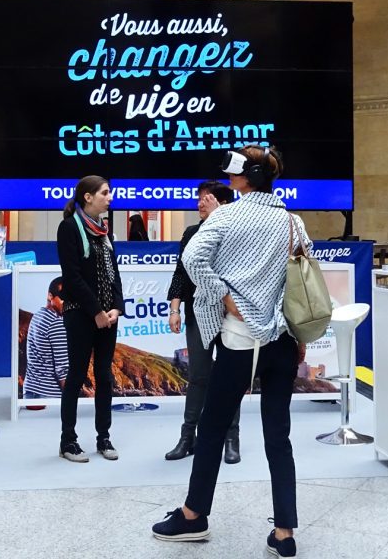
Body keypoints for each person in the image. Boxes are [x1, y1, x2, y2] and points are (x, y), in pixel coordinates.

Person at [152, 145, 302, 559]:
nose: (229, 175)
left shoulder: (225, 216)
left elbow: (192, 257)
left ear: (244, 177)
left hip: (239, 340)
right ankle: (285, 533)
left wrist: (224, 296)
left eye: (235, 170)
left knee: (213, 428)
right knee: (279, 435)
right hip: (283, 341)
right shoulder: (292, 221)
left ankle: (193, 515)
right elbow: (303, 274)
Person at [164, 180, 238, 464]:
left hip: (231, 314)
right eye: (198, 199)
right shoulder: (192, 232)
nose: (198, 204)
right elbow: (181, 273)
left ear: (221, 203)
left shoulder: (234, 231)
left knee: (231, 376)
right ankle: (187, 437)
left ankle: (232, 438)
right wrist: (175, 309)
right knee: (198, 376)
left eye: (205, 200)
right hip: (197, 313)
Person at [57, 175, 122, 463]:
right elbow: (71, 277)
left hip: (108, 318)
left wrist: (116, 308)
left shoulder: (105, 231)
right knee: (76, 376)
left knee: (105, 377)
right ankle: (68, 441)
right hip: (81, 315)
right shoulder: (69, 227)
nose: (110, 197)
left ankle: (103, 437)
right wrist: (95, 311)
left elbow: (114, 275)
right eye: (105, 193)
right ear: (88, 196)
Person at [23, 277, 70, 398]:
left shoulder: (38, 316)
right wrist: (71, 399)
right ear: (50, 296)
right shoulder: (56, 323)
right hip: (50, 396)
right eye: (63, 298)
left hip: (31, 391)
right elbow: (62, 370)